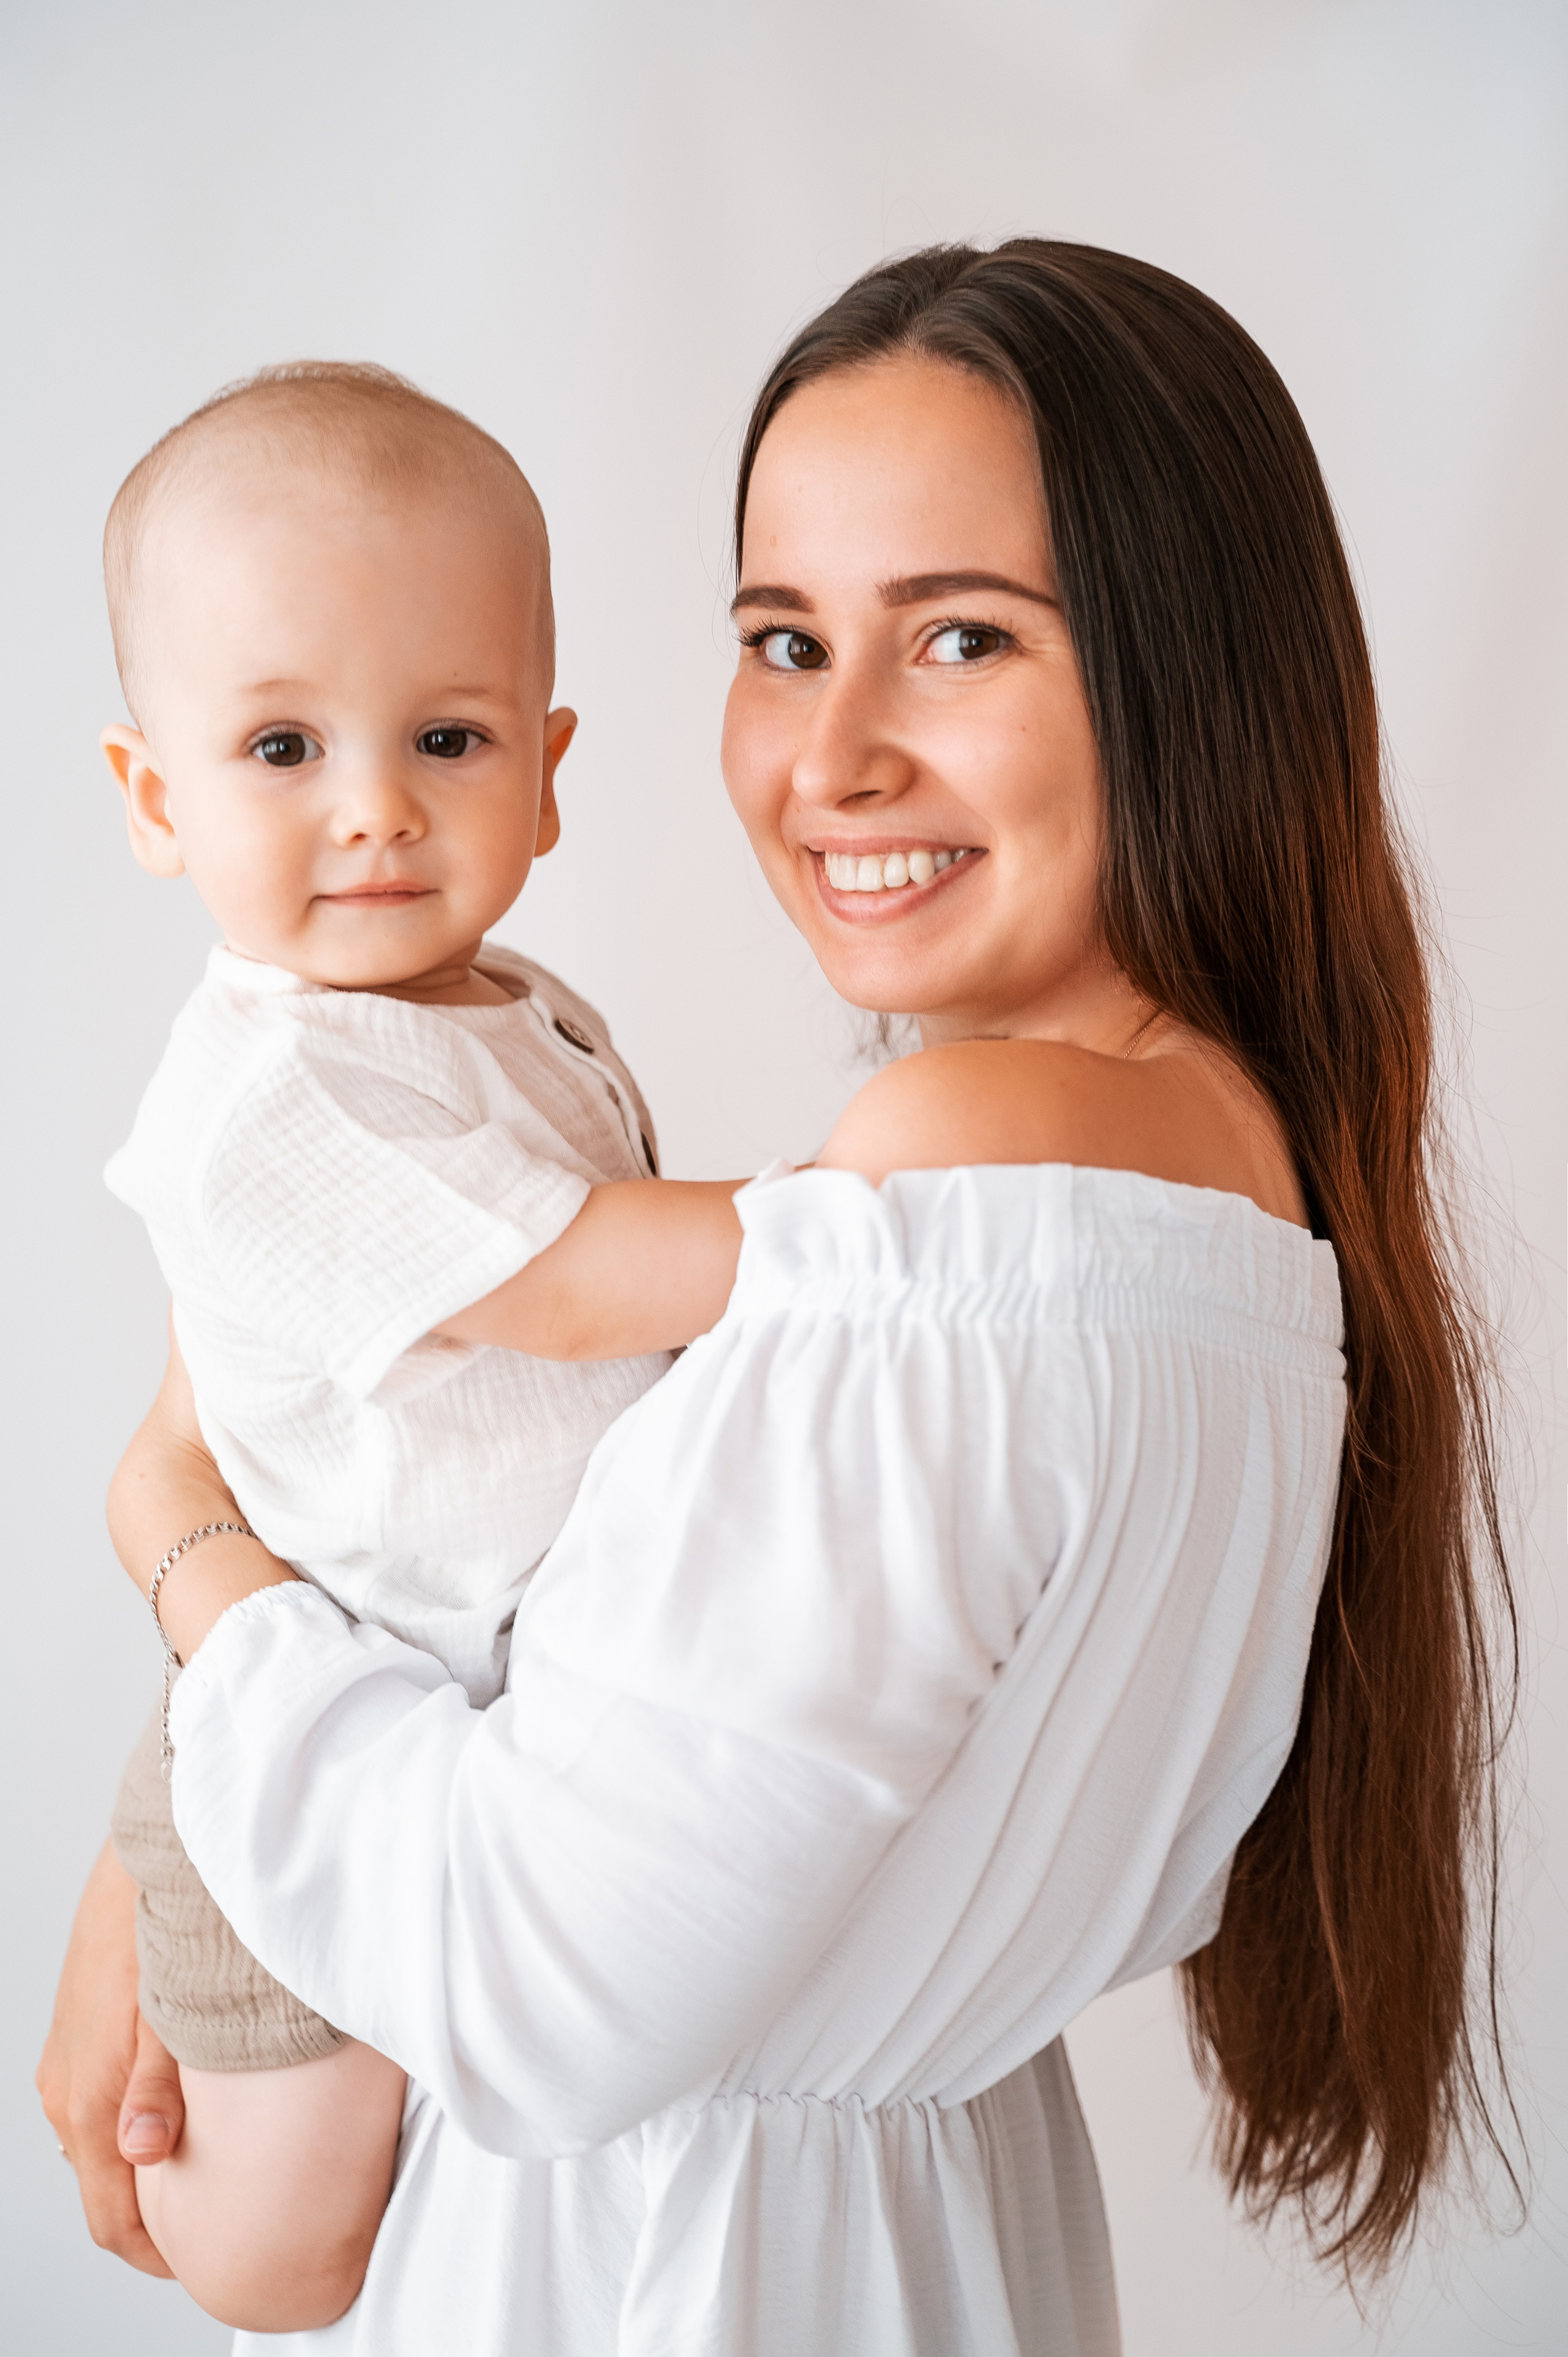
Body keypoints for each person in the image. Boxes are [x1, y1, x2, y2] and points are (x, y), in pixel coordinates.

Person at [40, 241, 1512, 2356]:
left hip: (664, 2279)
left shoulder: (959, 1187)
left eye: (961, 640)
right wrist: (177, 1811)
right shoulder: (1233, 1185)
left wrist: (180, 1548)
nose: (830, 757)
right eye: (784, 640)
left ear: (1195, 672)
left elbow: (530, 1988)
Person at [89, 360, 751, 2327]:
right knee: (281, 2254)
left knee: (470, 2135)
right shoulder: (268, 1092)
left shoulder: (512, 1008)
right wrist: (876, 1211)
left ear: (549, 766)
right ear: (154, 797)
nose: (376, 807)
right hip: (299, 1737)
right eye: (281, 747)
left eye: (446, 737)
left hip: (445, 1712)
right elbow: (562, 1284)